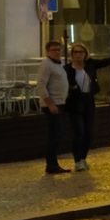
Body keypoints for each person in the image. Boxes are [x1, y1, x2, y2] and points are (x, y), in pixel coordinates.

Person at [39, 40, 71, 174]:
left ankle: (53, 164)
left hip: (60, 103)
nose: (57, 52)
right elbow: (41, 84)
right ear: (47, 52)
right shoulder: (46, 64)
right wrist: (50, 103)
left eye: (59, 49)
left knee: (58, 134)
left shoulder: (59, 63)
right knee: (54, 135)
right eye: (54, 50)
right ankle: (51, 165)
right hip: (53, 105)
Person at [65, 43, 98, 171]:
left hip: (88, 102)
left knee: (88, 132)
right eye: (76, 52)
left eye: (81, 52)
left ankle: (83, 158)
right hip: (74, 103)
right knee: (79, 132)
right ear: (72, 54)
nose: (78, 54)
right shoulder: (67, 69)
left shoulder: (89, 66)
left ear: (85, 54)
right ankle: (78, 160)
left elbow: (106, 61)